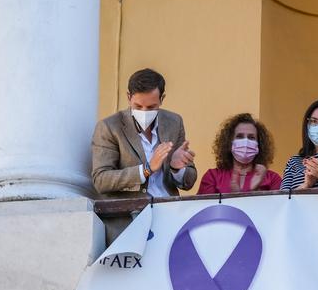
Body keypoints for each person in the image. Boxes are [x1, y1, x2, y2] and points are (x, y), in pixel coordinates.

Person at [91, 68, 196, 199]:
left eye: (151, 107)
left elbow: (189, 182)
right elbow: (101, 180)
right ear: (129, 97)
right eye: (138, 106)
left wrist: (176, 169)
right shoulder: (109, 127)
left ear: (162, 99)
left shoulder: (174, 122)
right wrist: (146, 169)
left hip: (169, 209)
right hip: (129, 213)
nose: (144, 111)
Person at [198, 113, 282, 194]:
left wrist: (254, 191)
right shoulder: (213, 177)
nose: (245, 142)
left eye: (251, 137)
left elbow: (277, 207)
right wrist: (235, 196)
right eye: (240, 136)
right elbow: (205, 207)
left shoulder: (272, 179)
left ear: (259, 145)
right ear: (229, 143)